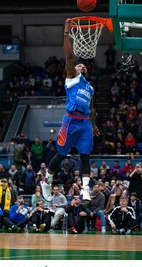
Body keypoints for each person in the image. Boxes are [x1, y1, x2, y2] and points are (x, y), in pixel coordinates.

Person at [41, 18, 100, 202]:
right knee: (61, 153)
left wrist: (94, 125)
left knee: (85, 155)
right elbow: (69, 56)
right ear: (73, 69)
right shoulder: (72, 77)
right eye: (78, 64)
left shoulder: (90, 88)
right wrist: (66, 33)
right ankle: (47, 182)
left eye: (84, 65)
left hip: (85, 123)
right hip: (70, 120)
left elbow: (91, 109)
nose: (82, 65)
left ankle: (85, 189)